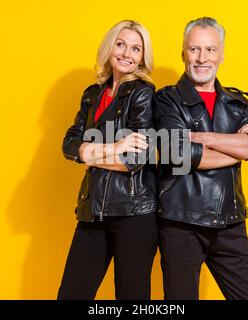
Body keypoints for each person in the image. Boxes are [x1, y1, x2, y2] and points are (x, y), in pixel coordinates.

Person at [154, 17, 248, 300]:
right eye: (194, 50)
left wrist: (205, 139)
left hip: (230, 223)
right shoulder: (165, 99)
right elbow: (179, 153)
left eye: (209, 50)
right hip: (181, 222)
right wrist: (236, 148)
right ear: (183, 53)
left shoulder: (237, 103)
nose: (202, 58)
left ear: (221, 54)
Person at [58, 20, 158, 300]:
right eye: (121, 44)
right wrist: (114, 146)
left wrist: (88, 155)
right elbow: (68, 145)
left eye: (136, 49)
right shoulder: (92, 94)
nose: (127, 53)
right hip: (93, 210)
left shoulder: (142, 92)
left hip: (134, 212)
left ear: (142, 57)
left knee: (132, 299)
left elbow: (134, 160)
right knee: (71, 294)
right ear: (110, 47)